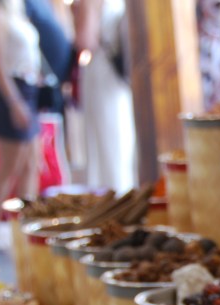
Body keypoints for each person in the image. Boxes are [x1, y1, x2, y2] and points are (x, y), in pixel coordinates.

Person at [0, 0, 42, 250]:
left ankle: (26, 225)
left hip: (29, 89)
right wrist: (15, 102)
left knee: (31, 163)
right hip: (10, 93)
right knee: (8, 165)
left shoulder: (19, 9)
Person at [73, 0, 136, 193]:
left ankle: (112, 193)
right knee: (119, 139)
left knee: (106, 142)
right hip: (116, 77)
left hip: (102, 73)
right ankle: (121, 190)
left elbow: (85, 41)